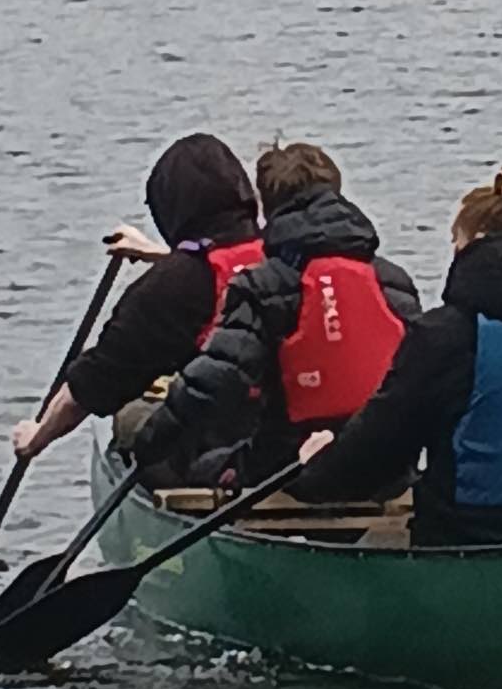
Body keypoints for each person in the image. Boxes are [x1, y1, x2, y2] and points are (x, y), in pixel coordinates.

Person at [286, 161, 502, 542]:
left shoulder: (444, 336)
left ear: (473, 243)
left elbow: (378, 453)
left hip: (472, 548)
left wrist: (316, 468)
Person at [144, 139, 423, 482]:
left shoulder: (260, 287)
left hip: (288, 469)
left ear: (269, 207)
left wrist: (148, 441)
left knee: (172, 465)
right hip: (387, 470)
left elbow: (213, 384)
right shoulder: (394, 282)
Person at [9, 131, 262, 490]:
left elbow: (94, 384)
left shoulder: (170, 288)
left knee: (131, 415)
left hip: (217, 454)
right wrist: (160, 255)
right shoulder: (285, 250)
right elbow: (229, 269)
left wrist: (36, 439)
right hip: (294, 443)